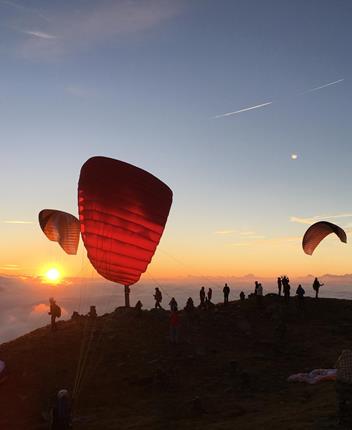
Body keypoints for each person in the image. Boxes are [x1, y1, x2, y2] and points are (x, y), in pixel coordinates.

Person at [335, 350, 352, 425]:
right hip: (350, 383)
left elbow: (336, 367)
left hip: (341, 383)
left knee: (341, 400)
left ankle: (341, 419)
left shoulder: (342, 356)